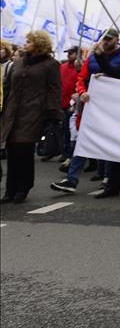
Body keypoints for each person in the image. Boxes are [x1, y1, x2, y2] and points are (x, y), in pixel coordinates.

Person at [52, 28, 120, 198]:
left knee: (110, 143)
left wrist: (108, 78)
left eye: (110, 39)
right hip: (92, 105)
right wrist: (82, 92)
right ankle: (71, 180)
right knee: (83, 139)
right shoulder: (91, 58)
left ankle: (108, 179)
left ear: (117, 39)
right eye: (104, 39)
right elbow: (81, 78)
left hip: (114, 107)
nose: (106, 42)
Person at [0, 30, 62, 203]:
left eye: (29, 41)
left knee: (24, 151)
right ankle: (10, 189)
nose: (25, 44)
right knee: (12, 151)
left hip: (33, 112)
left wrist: (53, 114)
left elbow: (54, 90)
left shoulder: (50, 65)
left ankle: (23, 188)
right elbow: (8, 85)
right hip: (13, 112)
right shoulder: (18, 63)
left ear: (39, 44)